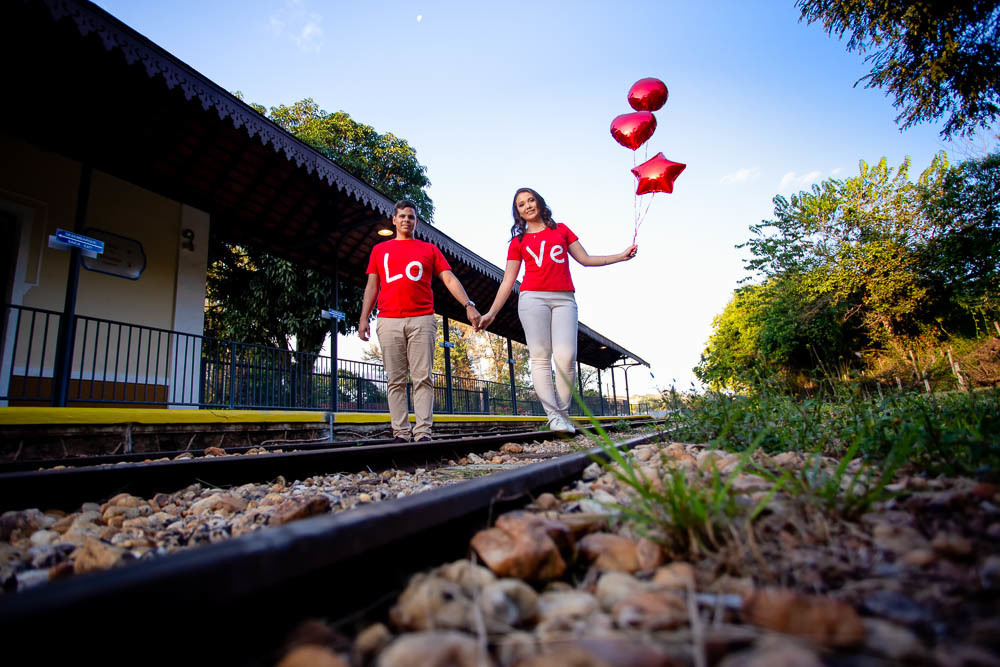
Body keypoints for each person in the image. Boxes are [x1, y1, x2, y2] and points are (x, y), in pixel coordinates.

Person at [476, 188, 636, 433]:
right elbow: (508, 280)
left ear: (539, 203)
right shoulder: (518, 242)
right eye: (521, 204)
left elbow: (586, 259)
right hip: (532, 299)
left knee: (567, 358)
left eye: (531, 200)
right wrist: (492, 312)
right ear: (517, 212)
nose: (527, 206)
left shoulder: (561, 230)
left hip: (564, 299)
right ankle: (554, 417)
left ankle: (562, 413)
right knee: (540, 357)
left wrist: (620, 256)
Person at [359, 200, 482, 442]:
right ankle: (401, 433)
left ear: (416, 222)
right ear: (394, 220)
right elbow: (372, 285)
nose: (406, 220)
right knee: (395, 380)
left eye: (411, 217)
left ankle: (423, 431)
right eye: (402, 216)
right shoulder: (379, 250)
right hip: (388, 319)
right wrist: (364, 317)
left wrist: (469, 305)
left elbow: (448, 278)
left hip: (422, 319)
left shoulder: (429, 250)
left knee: (422, 378)